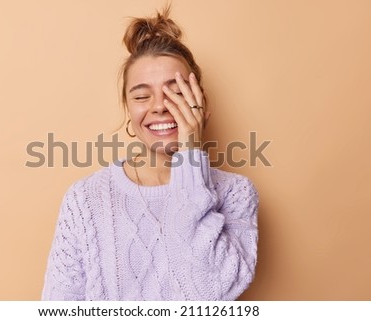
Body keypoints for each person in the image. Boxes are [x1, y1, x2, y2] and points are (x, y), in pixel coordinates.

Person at [41, 6, 259, 301]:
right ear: (128, 110)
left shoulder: (236, 194)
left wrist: (191, 156)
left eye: (177, 93)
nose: (159, 106)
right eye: (142, 96)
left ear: (201, 103)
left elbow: (209, 294)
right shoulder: (84, 200)